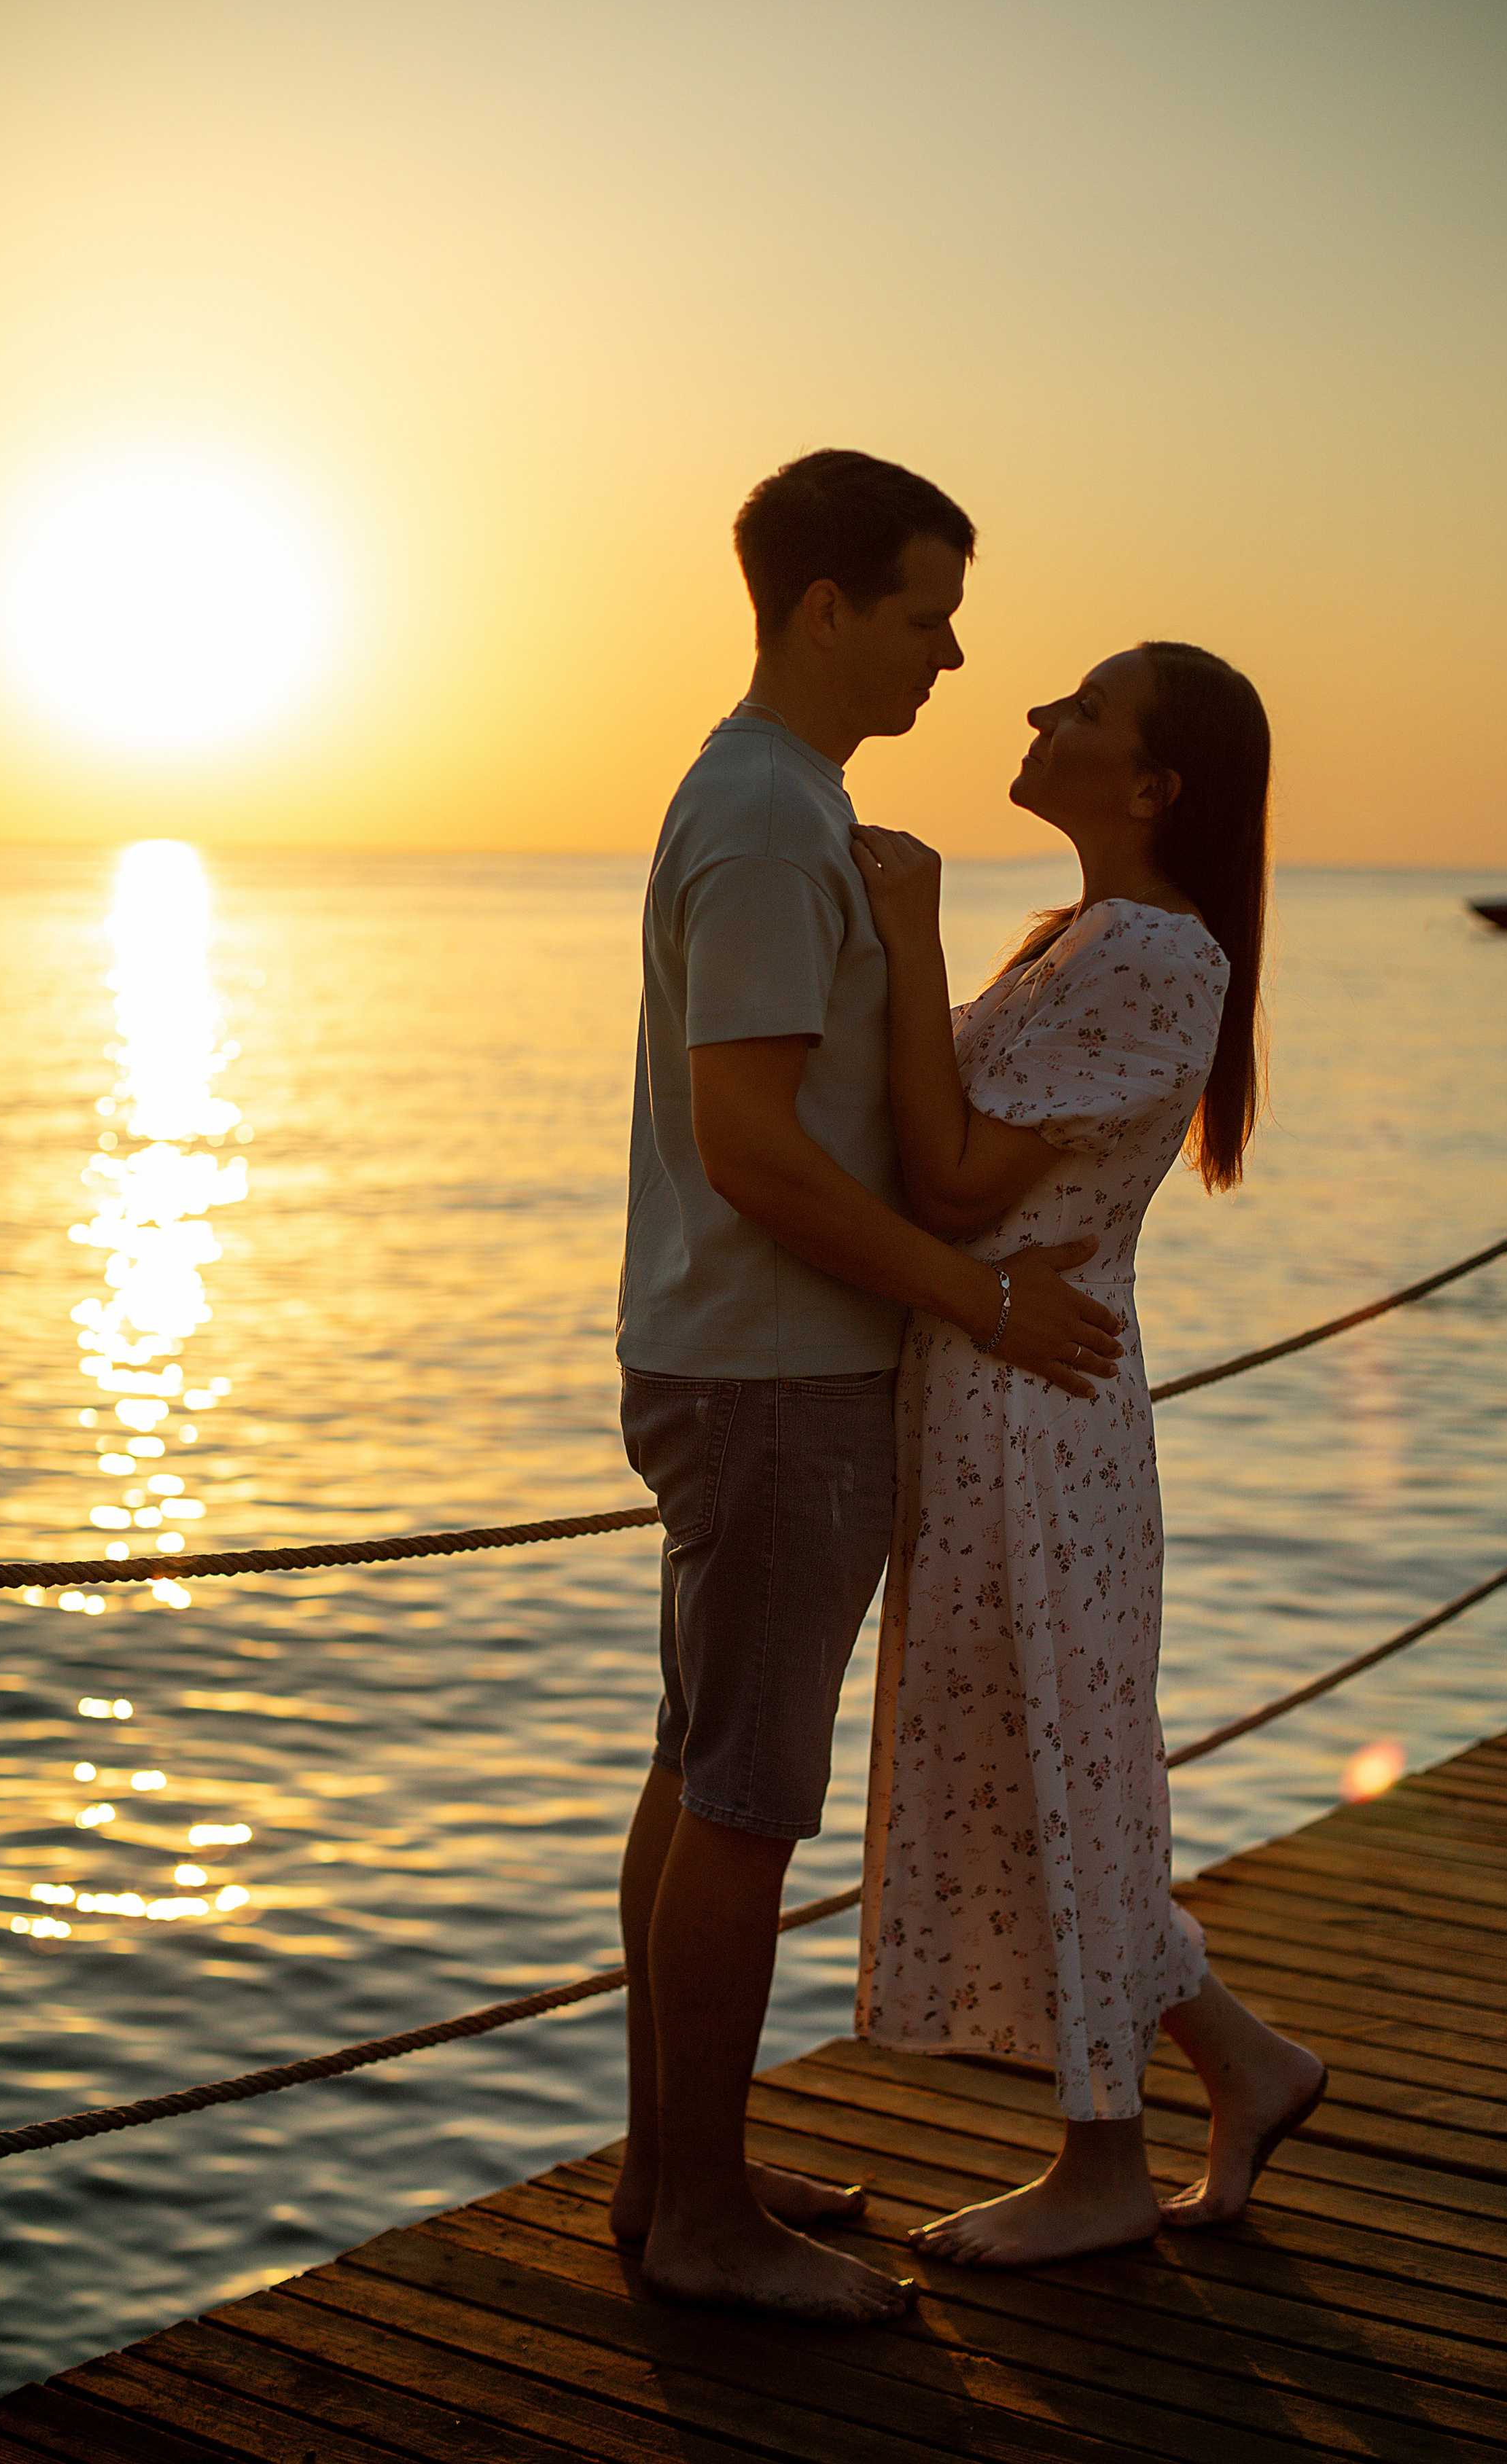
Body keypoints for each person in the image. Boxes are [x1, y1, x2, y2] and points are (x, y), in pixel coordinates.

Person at [614, 450, 1126, 2323]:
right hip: (775, 1381)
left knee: (698, 1773)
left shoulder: (779, 801)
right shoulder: (763, 818)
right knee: (745, 1797)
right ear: (827, 608)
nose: (955, 650)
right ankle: (698, 2233)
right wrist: (976, 1298)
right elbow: (749, 1144)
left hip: (742, 1363)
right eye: (926, 612)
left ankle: (680, 2172)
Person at [852, 641, 1327, 2267]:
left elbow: (955, 1180)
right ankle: (1243, 2067)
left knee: (1058, 1760)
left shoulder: (1139, 947)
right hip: (1005, 1396)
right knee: (1050, 1756)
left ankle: (1102, 2163)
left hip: (1030, 1412)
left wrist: (906, 939)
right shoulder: (1091, 940)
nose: (1040, 713)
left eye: (1084, 708)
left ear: (1150, 788)